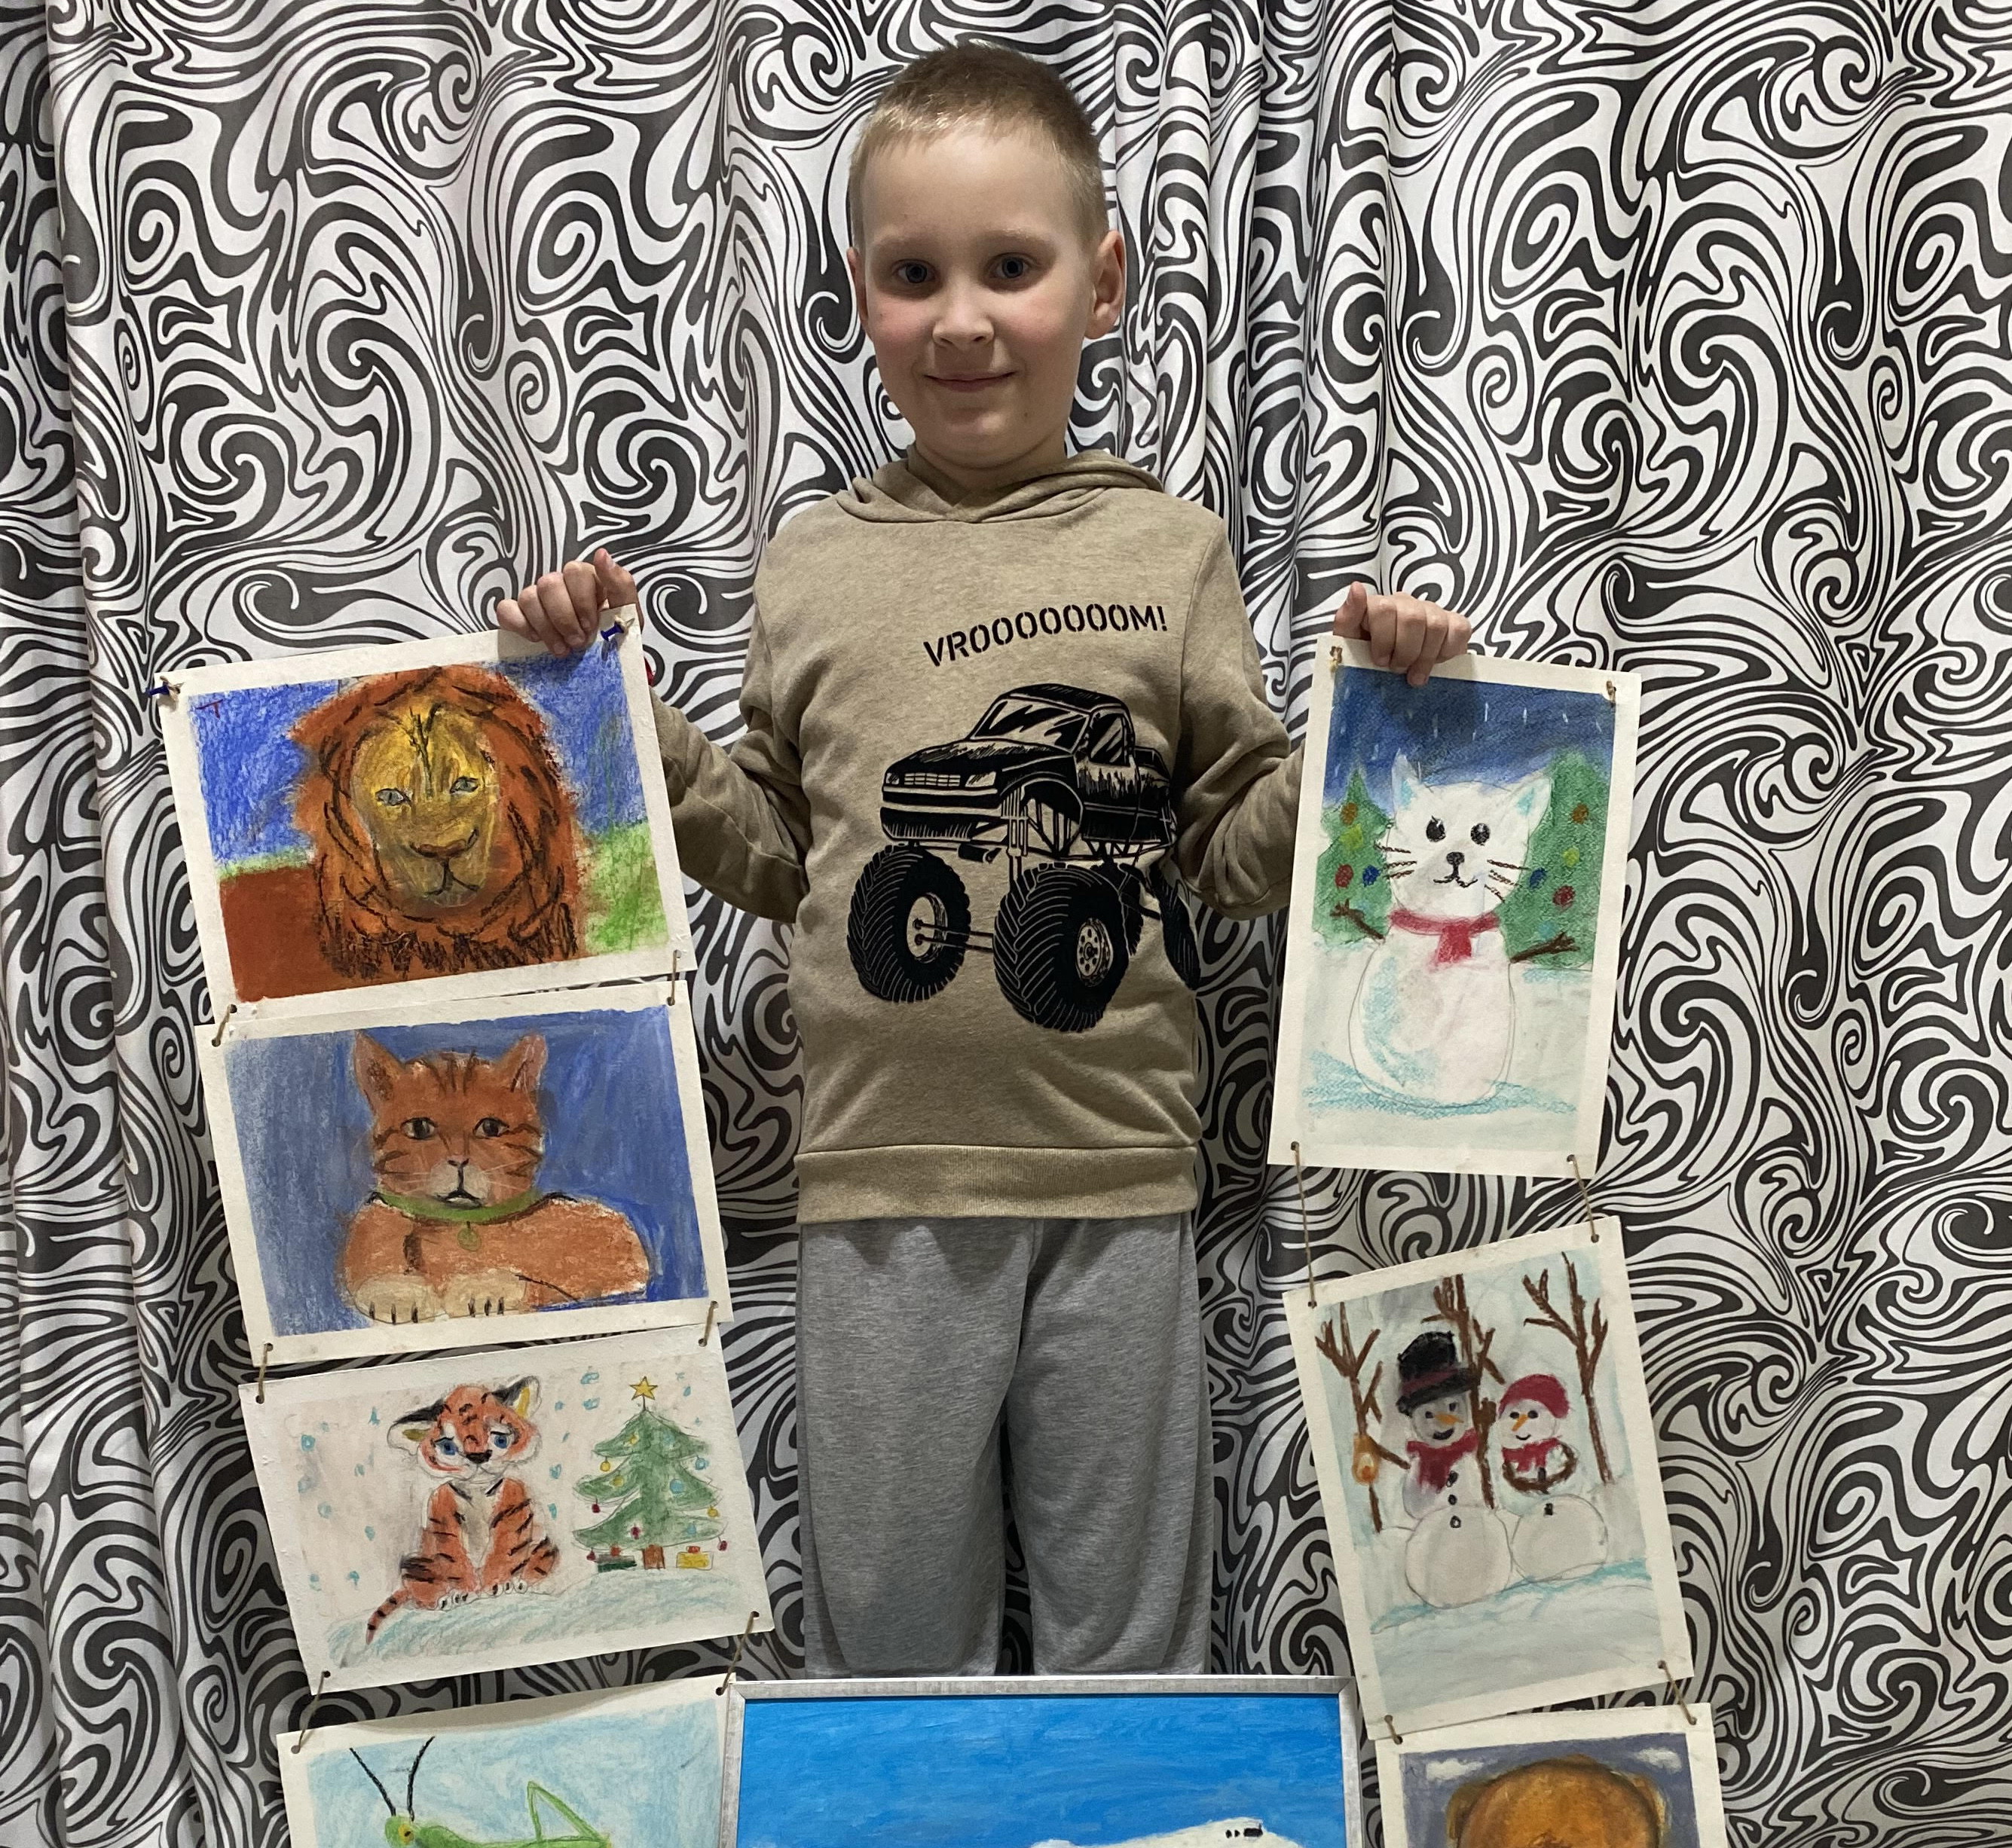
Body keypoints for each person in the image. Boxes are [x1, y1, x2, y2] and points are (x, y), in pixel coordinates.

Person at [500, 43, 1470, 1676]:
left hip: (1117, 1177)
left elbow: (1233, 853)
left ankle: (1126, 1845)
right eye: (914, 275)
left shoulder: (1168, 550)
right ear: (860, 297)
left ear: (1103, 284)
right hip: (880, 1183)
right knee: (887, 1628)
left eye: (1010, 268)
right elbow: (779, 855)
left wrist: (1376, 731)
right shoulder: (815, 562)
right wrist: (616, 717)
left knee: (1128, 1631)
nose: (961, 320)